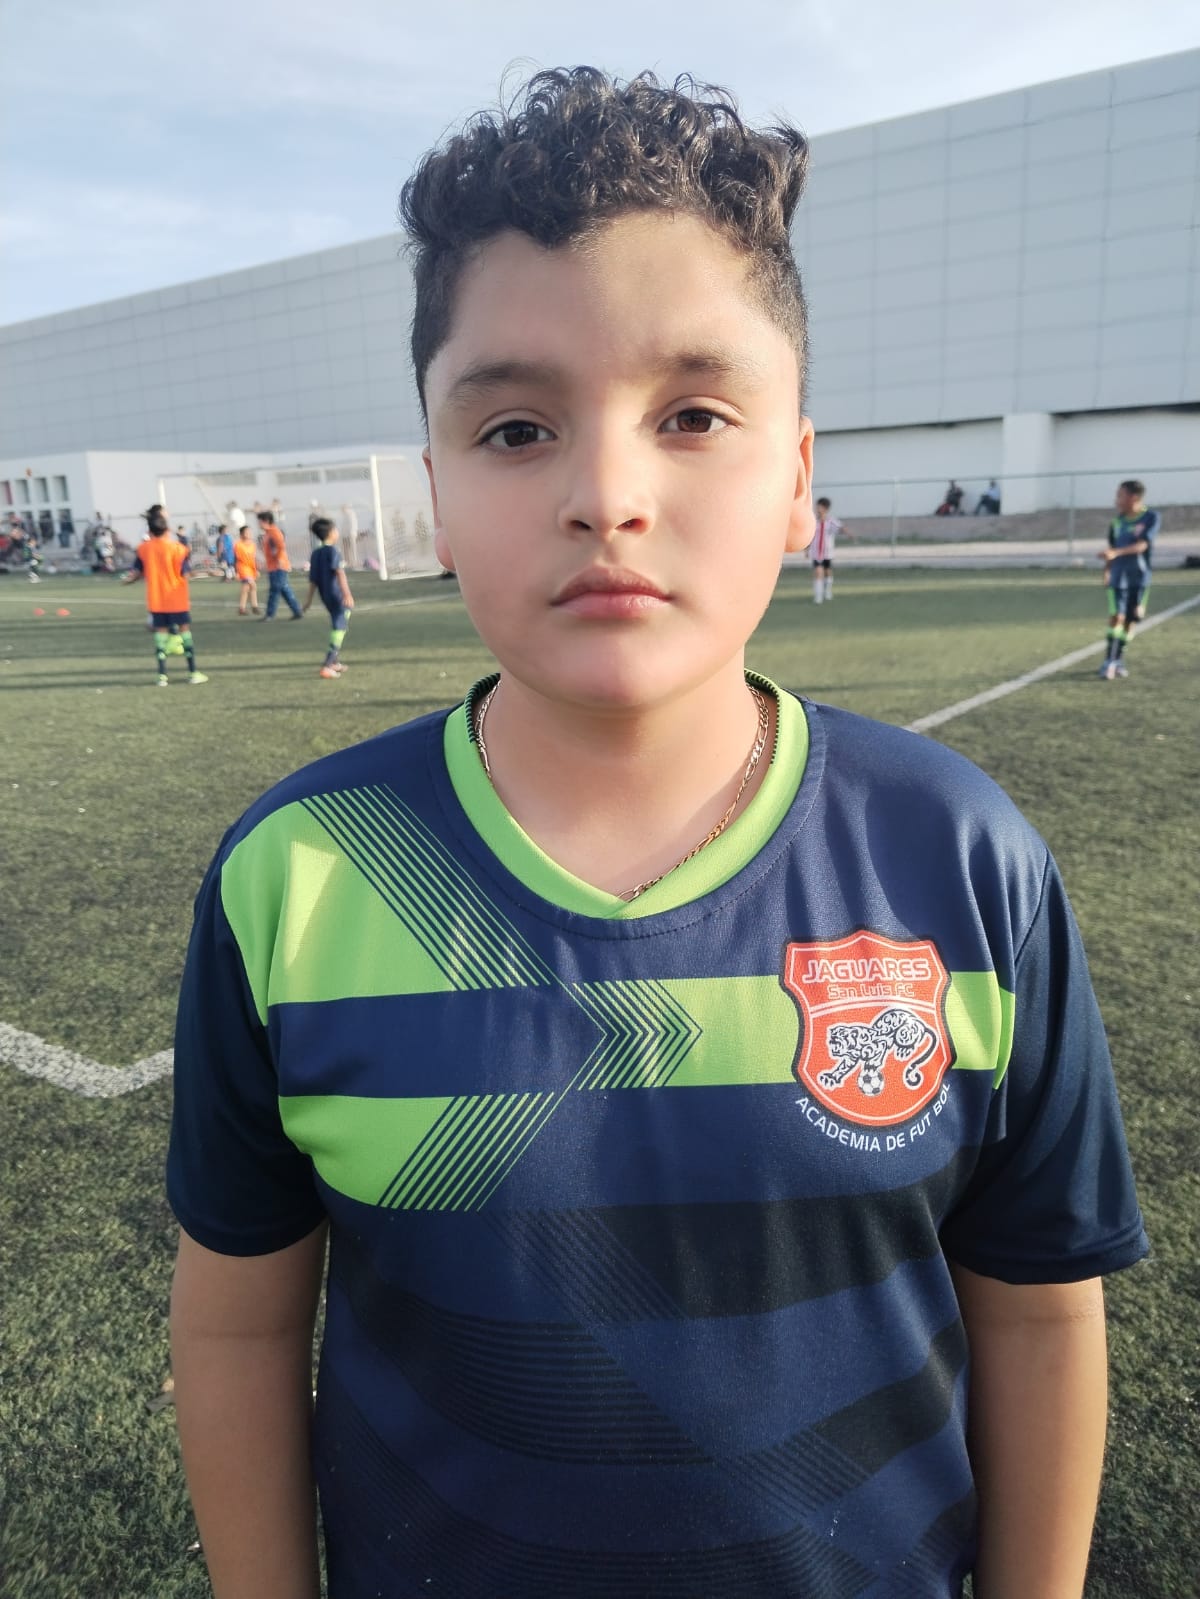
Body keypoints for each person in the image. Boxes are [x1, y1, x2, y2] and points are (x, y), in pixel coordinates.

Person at [168, 68, 1147, 1599]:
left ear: (799, 476)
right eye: (515, 427)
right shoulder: (299, 872)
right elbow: (238, 1319)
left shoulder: (961, 857)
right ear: (435, 494)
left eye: (692, 414)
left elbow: (1035, 1309)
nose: (607, 493)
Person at [122, 505, 207, 685]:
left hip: (157, 601)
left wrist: (128, 581)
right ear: (167, 530)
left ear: (150, 532)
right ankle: (193, 673)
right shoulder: (178, 548)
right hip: (177, 600)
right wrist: (204, 572)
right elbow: (186, 573)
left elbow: (136, 573)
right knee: (185, 634)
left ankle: (162, 676)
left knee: (160, 637)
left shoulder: (143, 549)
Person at [1098, 478, 1158, 680]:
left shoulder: (1150, 517)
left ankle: (1118, 660)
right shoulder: (1116, 522)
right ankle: (1109, 661)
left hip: (1139, 578)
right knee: (1117, 616)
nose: (1117, 500)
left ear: (1134, 497)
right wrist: (1107, 570)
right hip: (1118, 576)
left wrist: (1117, 553)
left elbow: (1142, 545)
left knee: (1131, 620)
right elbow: (1111, 549)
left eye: (1120, 496)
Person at [302, 517, 355, 678]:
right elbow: (340, 573)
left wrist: (308, 600)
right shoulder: (333, 551)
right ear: (331, 533)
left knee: (337, 623)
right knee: (340, 627)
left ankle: (333, 663)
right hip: (337, 594)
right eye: (336, 529)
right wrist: (347, 594)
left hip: (325, 595)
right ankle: (327, 664)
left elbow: (313, 580)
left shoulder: (315, 553)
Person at [257, 507, 303, 620]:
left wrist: (278, 559)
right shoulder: (268, 533)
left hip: (278, 566)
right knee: (284, 589)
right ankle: (297, 611)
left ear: (266, 521)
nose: (258, 524)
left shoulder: (274, 532)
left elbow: (280, 547)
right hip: (273, 566)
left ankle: (270, 614)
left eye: (260, 521)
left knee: (274, 590)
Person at [810, 495, 849, 602]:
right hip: (816, 553)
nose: (817, 509)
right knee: (818, 572)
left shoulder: (831, 521)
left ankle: (827, 591)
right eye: (817, 506)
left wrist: (848, 533)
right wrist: (806, 549)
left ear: (825, 508)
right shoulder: (813, 522)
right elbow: (809, 536)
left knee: (827, 572)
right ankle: (818, 596)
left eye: (819, 507)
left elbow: (840, 528)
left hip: (827, 553)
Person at [234, 526, 260, 614]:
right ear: (241, 534)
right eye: (246, 532)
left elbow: (253, 558)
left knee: (246, 588)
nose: (249, 533)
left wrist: (256, 570)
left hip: (250, 568)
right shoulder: (238, 545)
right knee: (253, 585)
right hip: (243, 568)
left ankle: (242, 608)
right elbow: (235, 558)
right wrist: (236, 572)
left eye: (249, 532)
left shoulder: (253, 545)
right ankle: (255, 607)